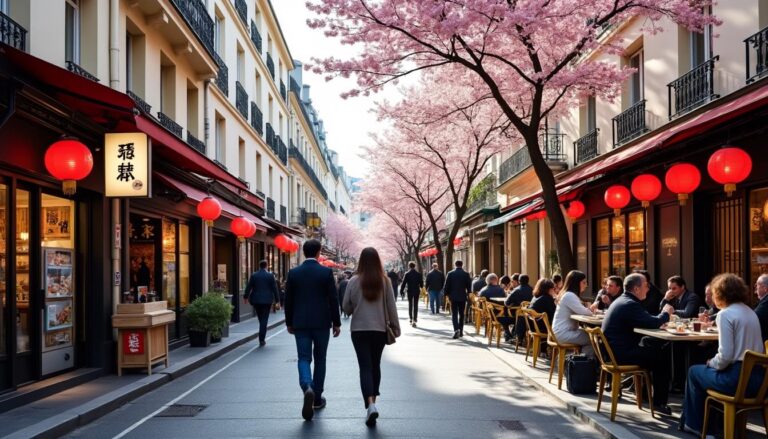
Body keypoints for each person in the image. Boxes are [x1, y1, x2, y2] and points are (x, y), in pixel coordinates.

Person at [681, 273, 765, 436]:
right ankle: (714, 425)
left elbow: (725, 357)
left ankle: (696, 425)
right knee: (704, 373)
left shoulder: (725, 314)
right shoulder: (750, 312)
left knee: (694, 372)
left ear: (719, 293)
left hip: (736, 381)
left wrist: (711, 362)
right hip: (759, 382)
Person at [342, 247, 401, 427]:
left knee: (365, 367)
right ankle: (373, 402)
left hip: (359, 330)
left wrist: (355, 307)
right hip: (379, 329)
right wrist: (396, 327)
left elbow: (346, 307)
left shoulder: (353, 281)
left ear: (361, 261)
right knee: (375, 365)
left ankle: (370, 405)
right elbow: (391, 306)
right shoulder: (385, 281)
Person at [284, 239, 342, 421]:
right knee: (320, 358)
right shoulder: (325, 272)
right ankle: (317, 397)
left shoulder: (294, 273)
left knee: (303, 358)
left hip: (300, 322)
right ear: (318, 253)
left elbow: (288, 300)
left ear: (303, 252)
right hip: (322, 322)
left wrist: (289, 322)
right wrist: (336, 322)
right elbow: (333, 299)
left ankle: (307, 386)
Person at [602, 273, 675, 414]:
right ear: (636, 289)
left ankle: (646, 395)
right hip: (621, 355)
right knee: (662, 355)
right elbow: (652, 322)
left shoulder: (623, 300)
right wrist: (666, 313)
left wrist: (657, 320)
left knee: (651, 343)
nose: (648, 289)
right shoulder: (630, 304)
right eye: (646, 286)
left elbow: (646, 320)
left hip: (613, 352)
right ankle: (658, 403)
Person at [552, 270, 594, 356]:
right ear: (576, 283)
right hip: (563, 333)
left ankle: (581, 360)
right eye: (584, 282)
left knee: (591, 336)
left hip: (560, 332)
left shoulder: (567, 294)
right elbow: (586, 313)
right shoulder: (569, 296)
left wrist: (588, 309)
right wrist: (591, 309)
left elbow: (583, 310)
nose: (586, 285)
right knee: (593, 338)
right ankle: (584, 362)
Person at [244, 260, 281, 347]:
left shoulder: (254, 275)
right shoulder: (270, 276)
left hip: (256, 300)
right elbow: (275, 288)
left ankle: (262, 333)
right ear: (266, 266)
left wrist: (245, 297)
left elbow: (249, 287)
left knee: (261, 318)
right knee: (264, 319)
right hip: (267, 300)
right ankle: (262, 339)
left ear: (259, 266)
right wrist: (277, 300)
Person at [444, 260, 472, 339]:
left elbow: (447, 285)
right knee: (461, 314)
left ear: (455, 265)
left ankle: (456, 329)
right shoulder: (466, 274)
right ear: (462, 265)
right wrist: (468, 293)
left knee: (454, 314)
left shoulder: (450, 273)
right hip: (462, 296)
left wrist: (446, 294)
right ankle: (461, 330)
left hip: (453, 296)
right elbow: (469, 286)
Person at [399, 262, 423, 327]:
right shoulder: (418, 274)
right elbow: (421, 284)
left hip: (409, 291)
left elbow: (403, 283)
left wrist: (401, 291)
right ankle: (415, 319)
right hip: (416, 291)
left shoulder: (407, 274)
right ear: (414, 266)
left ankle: (410, 318)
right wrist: (421, 286)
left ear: (409, 266)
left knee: (410, 304)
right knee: (416, 305)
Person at [753, 274, 768, 342]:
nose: (755, 288)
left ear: (765, 288)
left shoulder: (766, 302)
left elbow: (754, 317)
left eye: (757, 285)